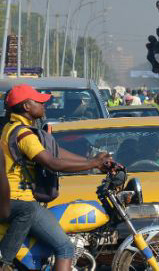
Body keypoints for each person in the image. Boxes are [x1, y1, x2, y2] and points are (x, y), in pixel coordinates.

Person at [1, 85, 112, 271]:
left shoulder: (13, 128)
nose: (45, 105)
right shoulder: (23, 134)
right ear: (27, 106)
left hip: (17, 199)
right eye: (39, 101)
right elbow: (52, 162)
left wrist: (93, 162)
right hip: (21, 200)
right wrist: (92, 164)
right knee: (65, 247)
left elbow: (56, 152)